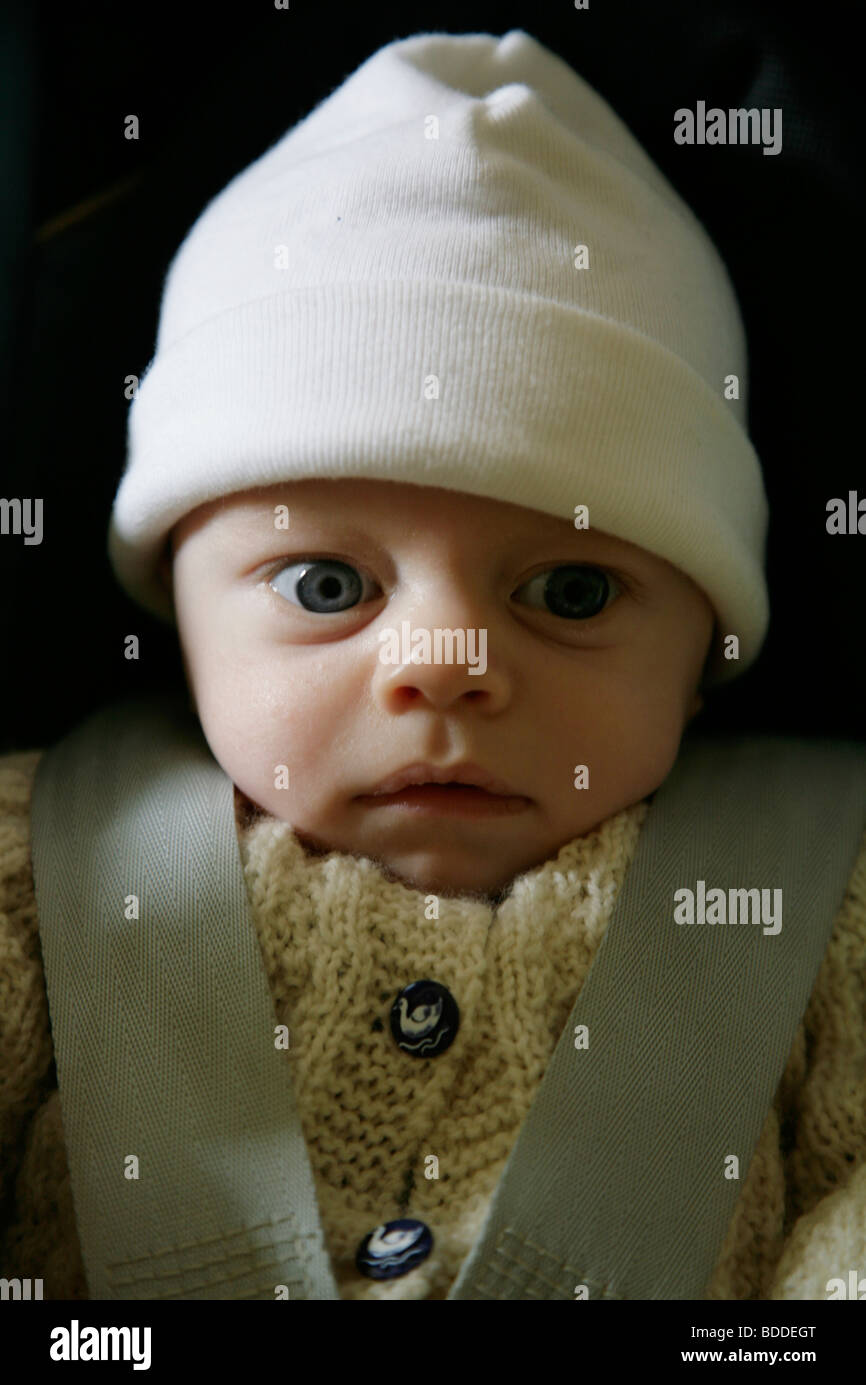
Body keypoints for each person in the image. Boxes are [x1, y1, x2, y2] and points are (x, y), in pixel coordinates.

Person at [1, 29, 864, 1301]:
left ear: (704, 651)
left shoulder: (827, 901)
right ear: (179, 619)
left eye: (569, 592)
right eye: (326, 586)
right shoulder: (38, 865)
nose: (446, 667)